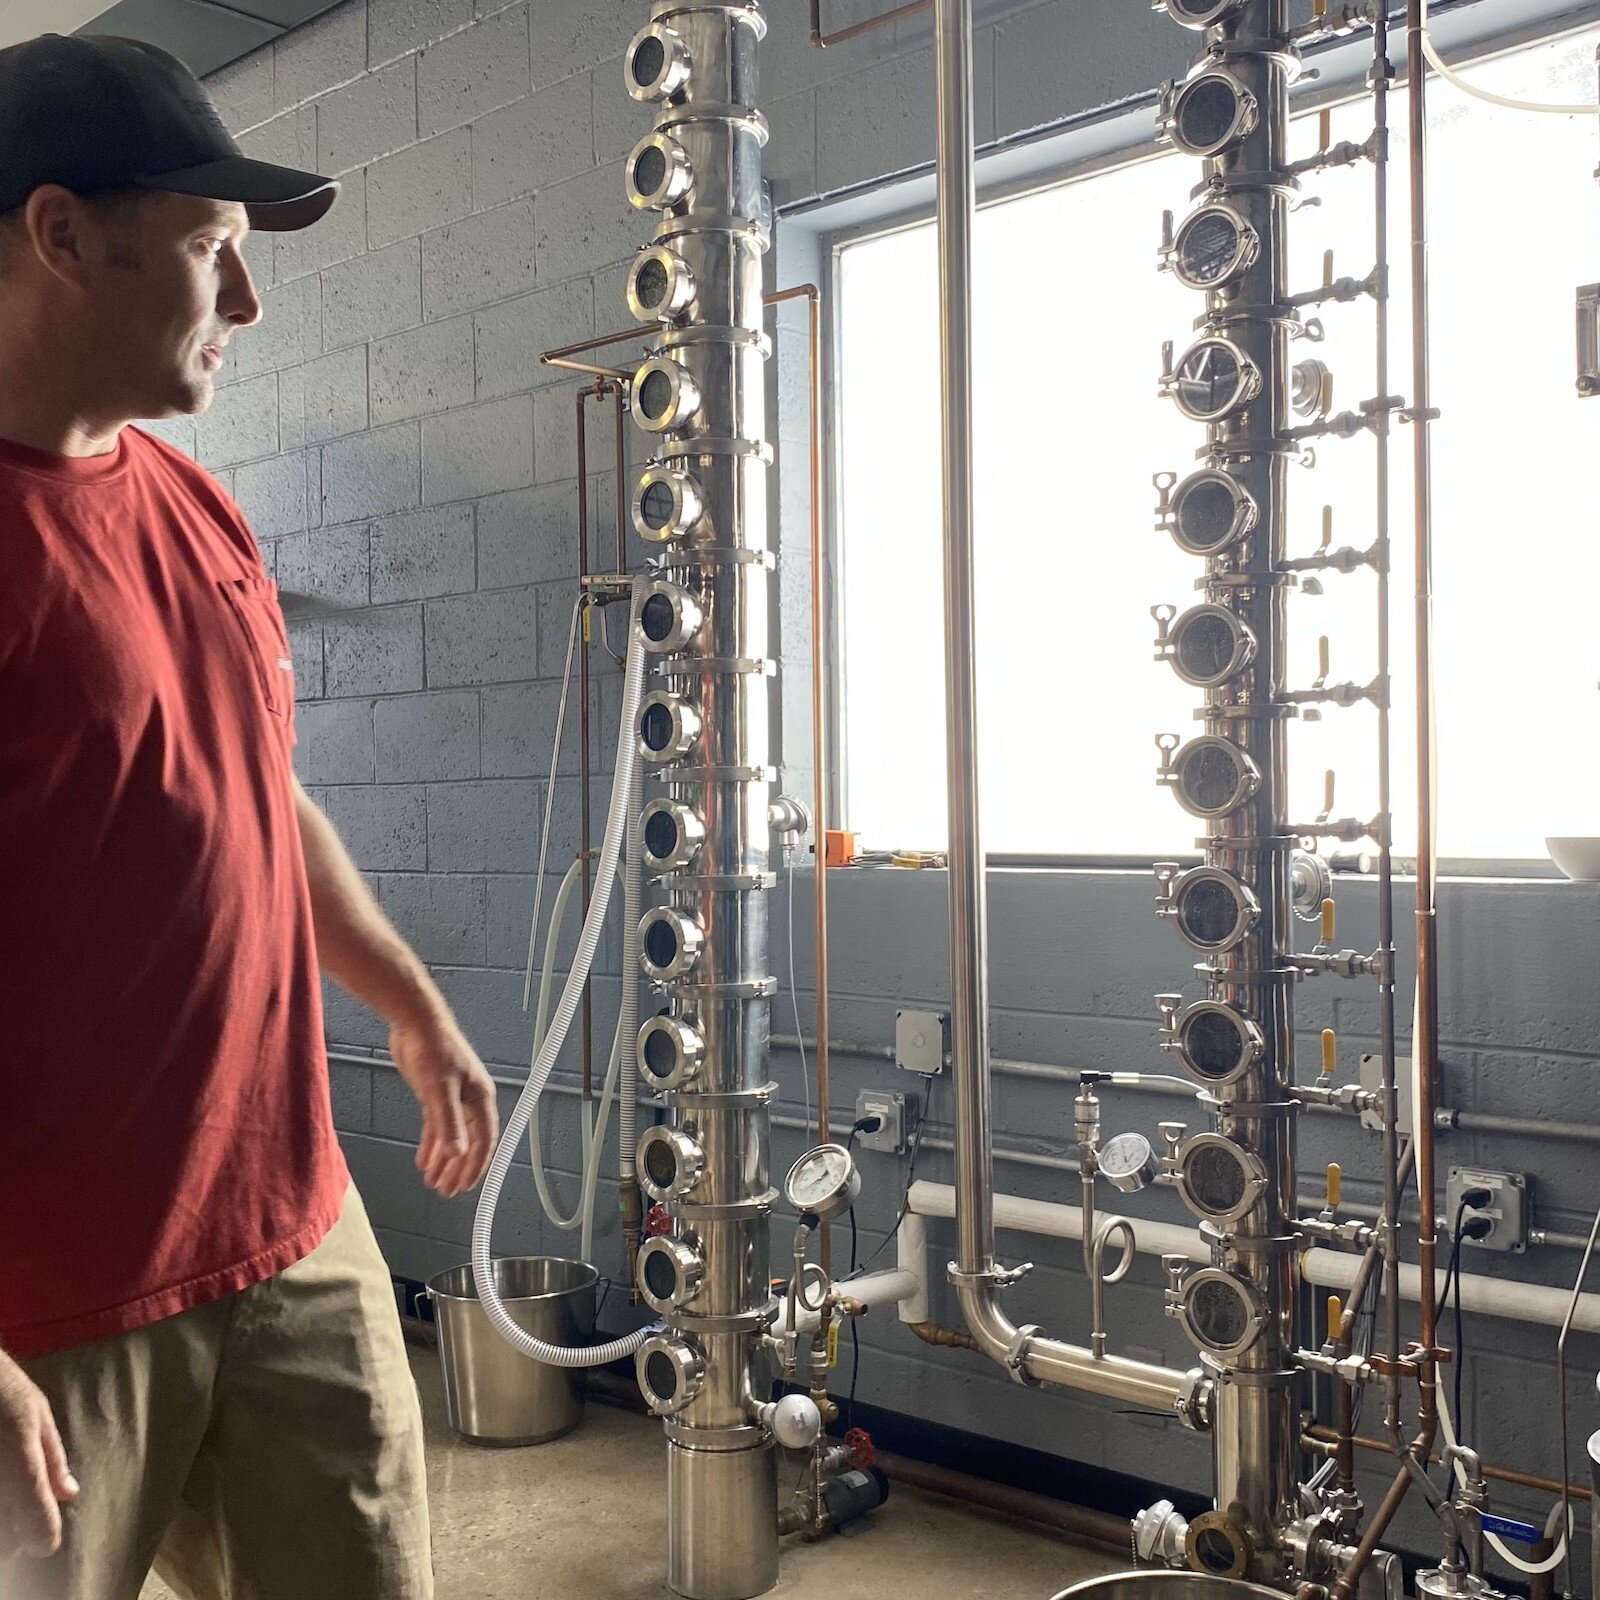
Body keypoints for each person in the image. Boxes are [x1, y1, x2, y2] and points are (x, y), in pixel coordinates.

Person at [0, 32, 500, 1599]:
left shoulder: (192, 498)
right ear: (64, 235)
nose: (248, 304)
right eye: (216, 250)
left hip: (291, 1228)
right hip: (48, 1308)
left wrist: (407, 1003)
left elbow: (251, 790)